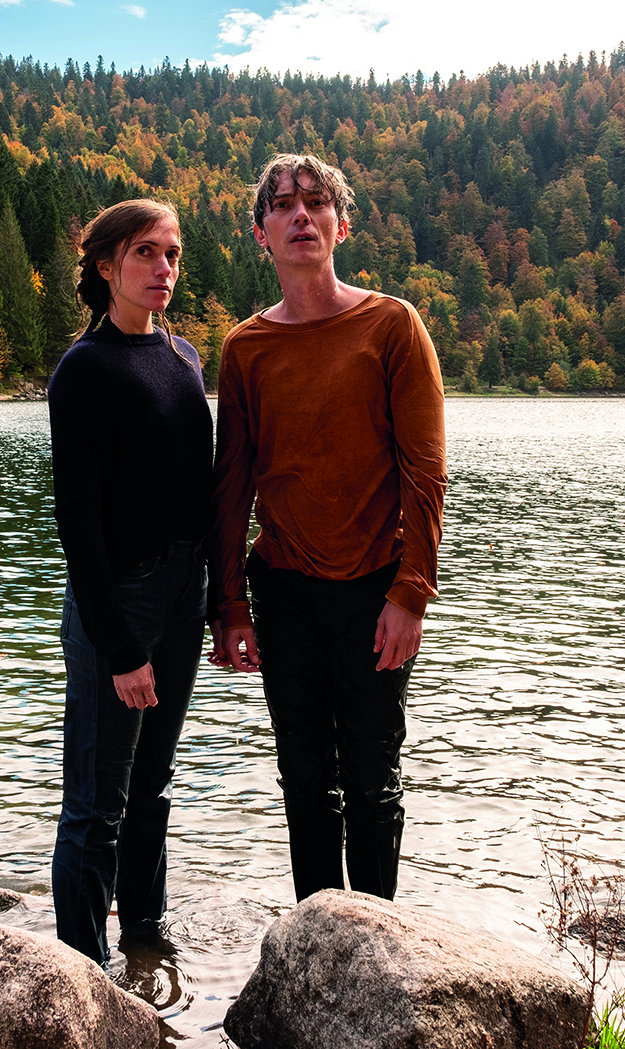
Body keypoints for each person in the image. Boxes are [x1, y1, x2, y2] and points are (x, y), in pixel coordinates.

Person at [210, 154, 447, 903]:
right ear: (262, 234)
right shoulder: (246, 347)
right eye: (284, 205)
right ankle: (315, 943)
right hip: (284, 594)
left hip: (376, 590)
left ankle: (379, 948)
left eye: (315, 203)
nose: (300, 215)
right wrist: (230, 606)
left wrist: (411, 591)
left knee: (374, 780)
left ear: (342, 225)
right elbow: (232, 484)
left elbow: (425, 469)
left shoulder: (392, 324)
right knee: (305, 780)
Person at [47, 199, 213, 967]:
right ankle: (82, 968)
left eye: (172, 254)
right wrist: (118, 647)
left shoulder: (183, 360)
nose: (164, 269)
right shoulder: (84, 370)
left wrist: (219, 604)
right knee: (95, 803)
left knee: (153, 786)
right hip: (119, 598)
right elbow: (77, 522)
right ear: (107, 265)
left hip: (183, 591)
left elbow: (198, 490)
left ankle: (145, 945)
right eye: (146, 253)